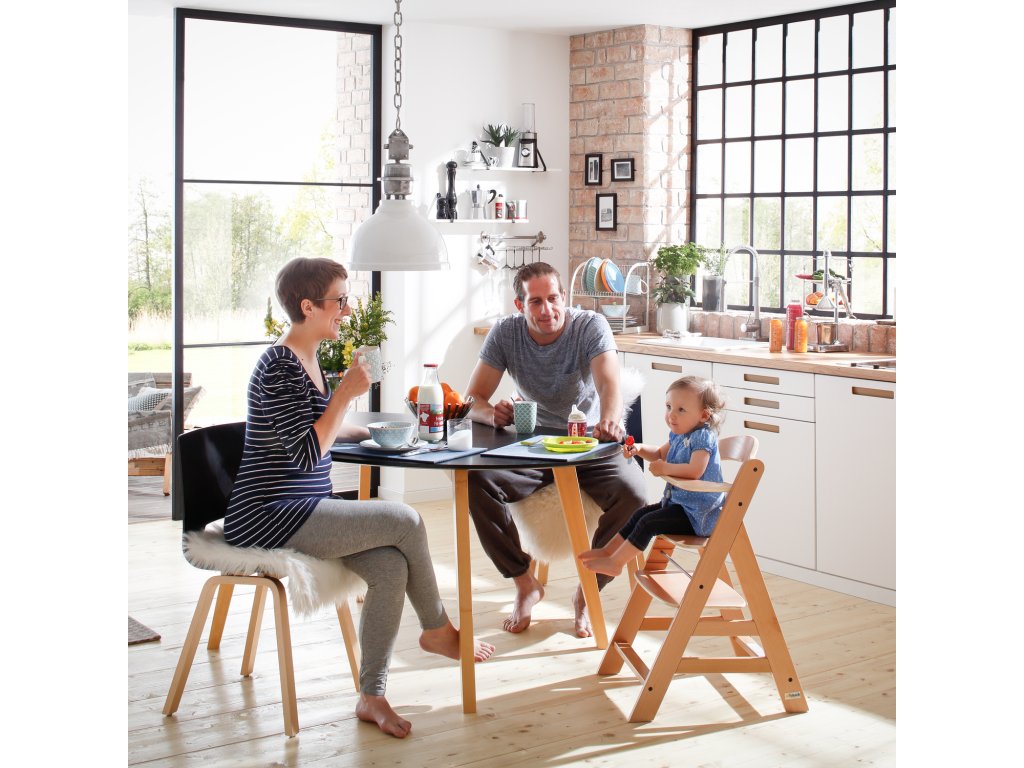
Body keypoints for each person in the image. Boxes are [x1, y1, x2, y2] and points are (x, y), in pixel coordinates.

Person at [225, 257, 495, 739]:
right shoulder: (279, 366)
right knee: (406, 521)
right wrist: (345, 394)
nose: (347, 310)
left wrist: (377, 432)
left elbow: (320, 430)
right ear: (308, 307)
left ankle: (372, 696)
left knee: (389, 567)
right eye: (340, 300)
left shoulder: (306, 359)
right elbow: (307, 453)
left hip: (303, 509)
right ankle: (437, 630)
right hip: (269, 516)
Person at [464, 261, 646, 638]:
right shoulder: (506, 332)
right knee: (477, 481)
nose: (547, 310)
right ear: (520, 305)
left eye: (553, 298)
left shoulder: (590, 326)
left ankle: (588, 591)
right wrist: (491, 413)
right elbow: (472, 398)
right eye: (535, 302)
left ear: (564, 297)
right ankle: (525, 583)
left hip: (590, 443)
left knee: (635, 495)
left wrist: (610, 420)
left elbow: (609, 384)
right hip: (532, 444)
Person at [580, 375, 727, 577]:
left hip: (698, 516)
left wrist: (665, 469)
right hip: (681, 506)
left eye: (681, 410)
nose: (671, 415)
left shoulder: (703, 437)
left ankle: (616, 563)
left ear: (703, 415)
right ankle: (608, 551)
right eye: (669, 407)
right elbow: (659, 453)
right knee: (639, 514)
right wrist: (639, 448)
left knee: (648, 523)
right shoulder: (680, 434)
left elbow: (695, 470)